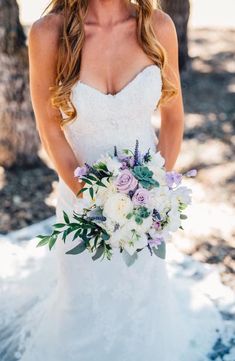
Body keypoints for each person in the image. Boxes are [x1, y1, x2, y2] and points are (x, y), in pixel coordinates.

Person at [14, 0, 223, 360]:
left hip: (145, 206)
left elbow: (173, 119)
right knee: (84, 297)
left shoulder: (157, 26)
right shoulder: (48, 33)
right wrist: (96, 205)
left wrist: (151, 198)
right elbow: (49, 128)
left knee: (140, 295)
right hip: (80, 203)